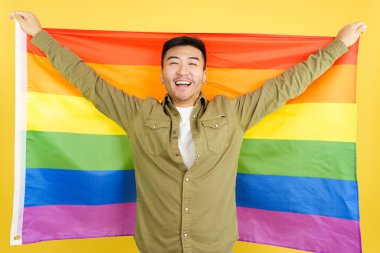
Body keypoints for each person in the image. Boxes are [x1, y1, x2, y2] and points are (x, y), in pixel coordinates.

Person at [10, 11, 366, 253]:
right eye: (174, 62)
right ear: (163, 72)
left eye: (193, 63)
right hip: (155, 246)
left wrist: (339, 45)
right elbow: (87, 81)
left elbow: (289, 84)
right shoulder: (137, 114)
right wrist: (39, 36)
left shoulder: (234, 114)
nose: (183, 70)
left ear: (204, 74)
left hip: (216, 246)